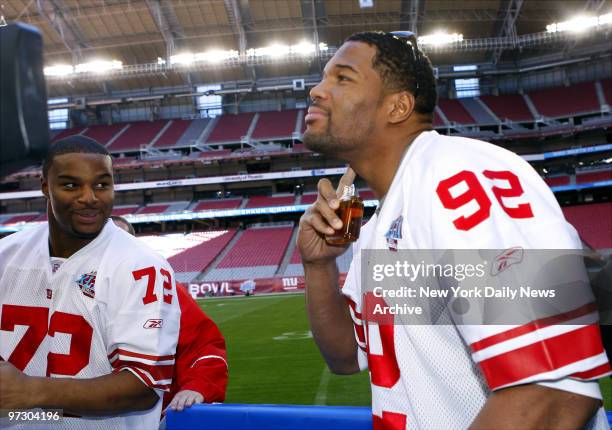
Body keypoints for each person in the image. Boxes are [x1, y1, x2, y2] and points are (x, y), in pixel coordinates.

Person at [297, 31, 611, 429]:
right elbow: (346, 355)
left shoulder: (460, 178)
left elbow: (551, 394)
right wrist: (318, 266)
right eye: (324, 77)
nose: (317, 90)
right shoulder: (385, 222)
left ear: (398, 107)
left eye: (342, 78)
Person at [0, 136, 181, 429]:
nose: (90, 197)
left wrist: (31, 391)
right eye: (71, 185)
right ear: (45, 187)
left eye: (102, 185)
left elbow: (144, 387)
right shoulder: (6, 254)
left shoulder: (141, 265)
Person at [111, 216, 228, 416]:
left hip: (148, 416)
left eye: (121, 242)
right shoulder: (58, 289)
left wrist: (198, 385)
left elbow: (202, 345)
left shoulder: (164, 290)